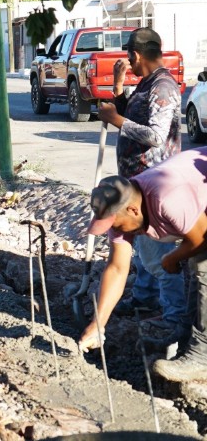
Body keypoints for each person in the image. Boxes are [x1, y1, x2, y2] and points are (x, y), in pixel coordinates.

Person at [78, 147, 207, 382]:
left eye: (115, 224)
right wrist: (98, 324)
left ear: (133, 210)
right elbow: (117, 267)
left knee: (202, 265)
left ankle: (202, 356)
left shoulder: (167, 197)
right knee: (192, 267)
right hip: (196, 206)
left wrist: (171, 257)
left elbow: (202, 239)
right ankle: (186, 336)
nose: (114, 231)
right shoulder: (122, 210)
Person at [96, 27, 187, 350]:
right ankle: (143, 297)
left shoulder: (162, 87)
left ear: (136, 55)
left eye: (129, 59)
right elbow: (131, 115)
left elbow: (155, 135)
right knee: (142, 249)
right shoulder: (147, 84)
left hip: (154, 187)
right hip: (137, 182)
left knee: (160, 255)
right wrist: (120, 91)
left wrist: (117, 121)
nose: (129, 64)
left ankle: (175, 316)